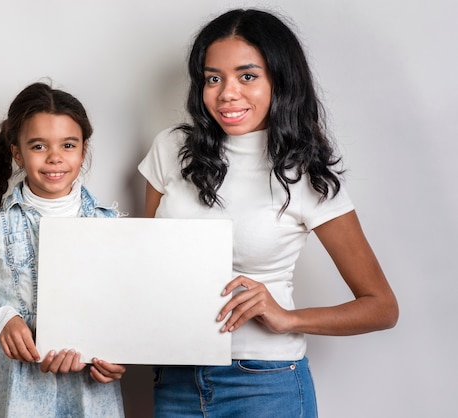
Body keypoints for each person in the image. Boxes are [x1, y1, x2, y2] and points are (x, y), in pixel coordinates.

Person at [138, 8, 399, 418]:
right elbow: (144, 265)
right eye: (213, 78)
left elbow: (381, 306)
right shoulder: (171, 150)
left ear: (280, 80)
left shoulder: (306, 176)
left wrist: (286, 318)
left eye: (247, 76)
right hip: (176, 380)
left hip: (264, 382)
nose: (226, 93)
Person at [0, 82, 125, 418]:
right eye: (39, 145)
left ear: (83, 150)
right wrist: (2, 319)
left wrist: (113, 357)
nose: (55, 157)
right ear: (17, 153)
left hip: (89, 390)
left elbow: (121, 309)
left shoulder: (109, 223)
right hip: (15, 388)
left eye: (68, 145)